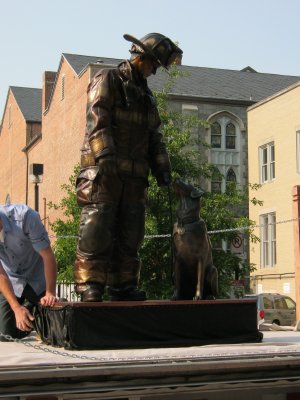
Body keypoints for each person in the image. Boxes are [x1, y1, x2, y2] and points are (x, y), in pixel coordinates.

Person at [74, 32, 183, 302]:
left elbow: (154, 135)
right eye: (154, 64)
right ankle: (91, 284)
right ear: (141, 57)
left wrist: (162, 168)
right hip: (104, 173)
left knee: (131, 232)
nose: (155, 70)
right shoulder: (108, 78)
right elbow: (97, 117)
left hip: (135, 177)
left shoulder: (148, 97)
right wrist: (106, 154)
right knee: (97, 229)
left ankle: (124, 284)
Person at [0, 204, 57, 341]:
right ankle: (29, 311)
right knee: (6, 333)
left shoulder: (26, 217)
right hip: (12, 280)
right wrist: (16, 308)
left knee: (52, 329)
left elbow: (48, 257)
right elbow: (0, 275)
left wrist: (50, 292)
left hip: (37, 277)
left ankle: (38, 309)